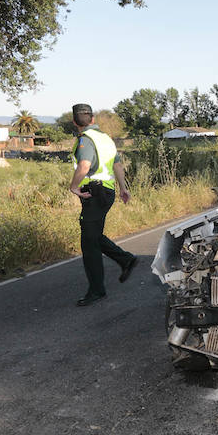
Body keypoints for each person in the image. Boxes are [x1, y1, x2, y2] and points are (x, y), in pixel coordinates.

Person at [69, 103, 137, 306]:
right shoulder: (106, 138)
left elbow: (84, 165)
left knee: (88, 243)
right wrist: (123, 188)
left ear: (74, 122)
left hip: (94, 192)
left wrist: (73, 186)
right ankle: (125, 259)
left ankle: (97, 290)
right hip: (107, 191)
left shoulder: (85, 140)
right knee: (93, 236)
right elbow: (117, 165)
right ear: (92, 119)